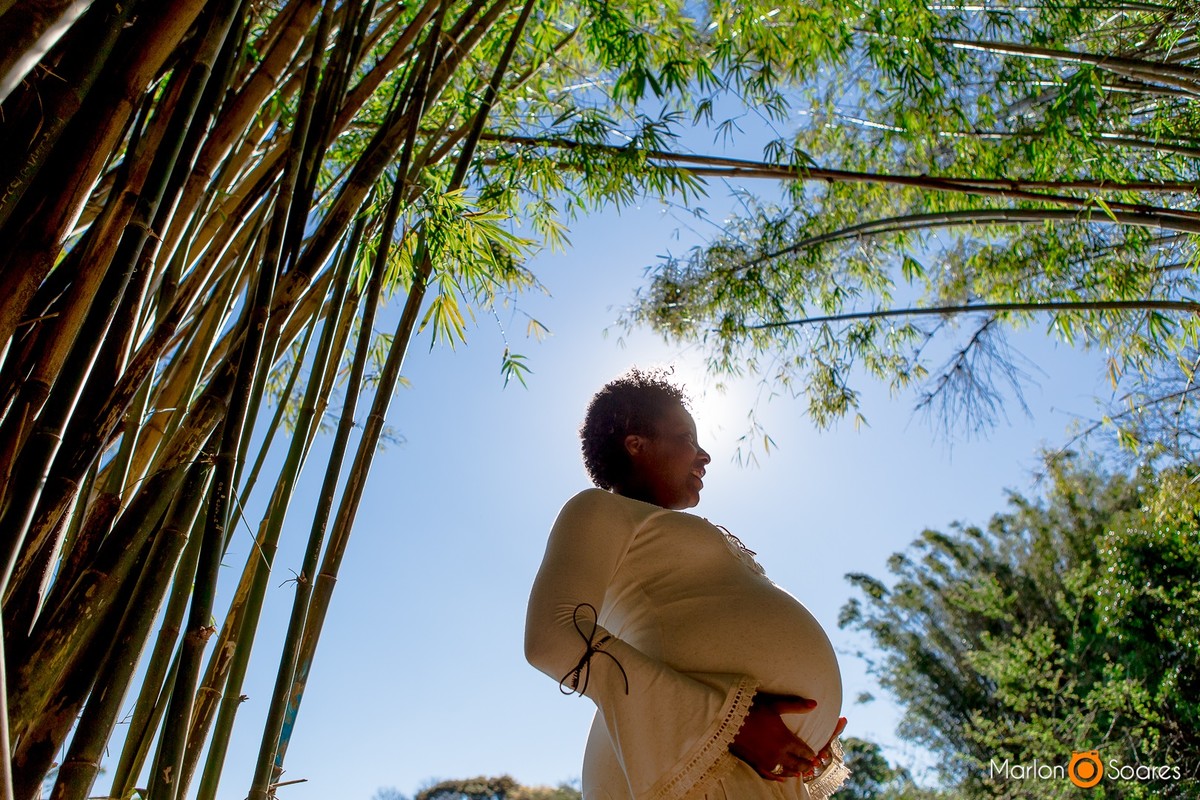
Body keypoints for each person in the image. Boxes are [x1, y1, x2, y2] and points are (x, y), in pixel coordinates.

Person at [525, 368, 849, 800]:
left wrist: (803, 743)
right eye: (687, 439)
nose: (704, 456)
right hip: (685, 762)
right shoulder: (598, 509)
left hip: (737, 766)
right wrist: (729, 721)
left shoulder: (662, 529)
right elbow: (551, 639)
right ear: (636, 443)